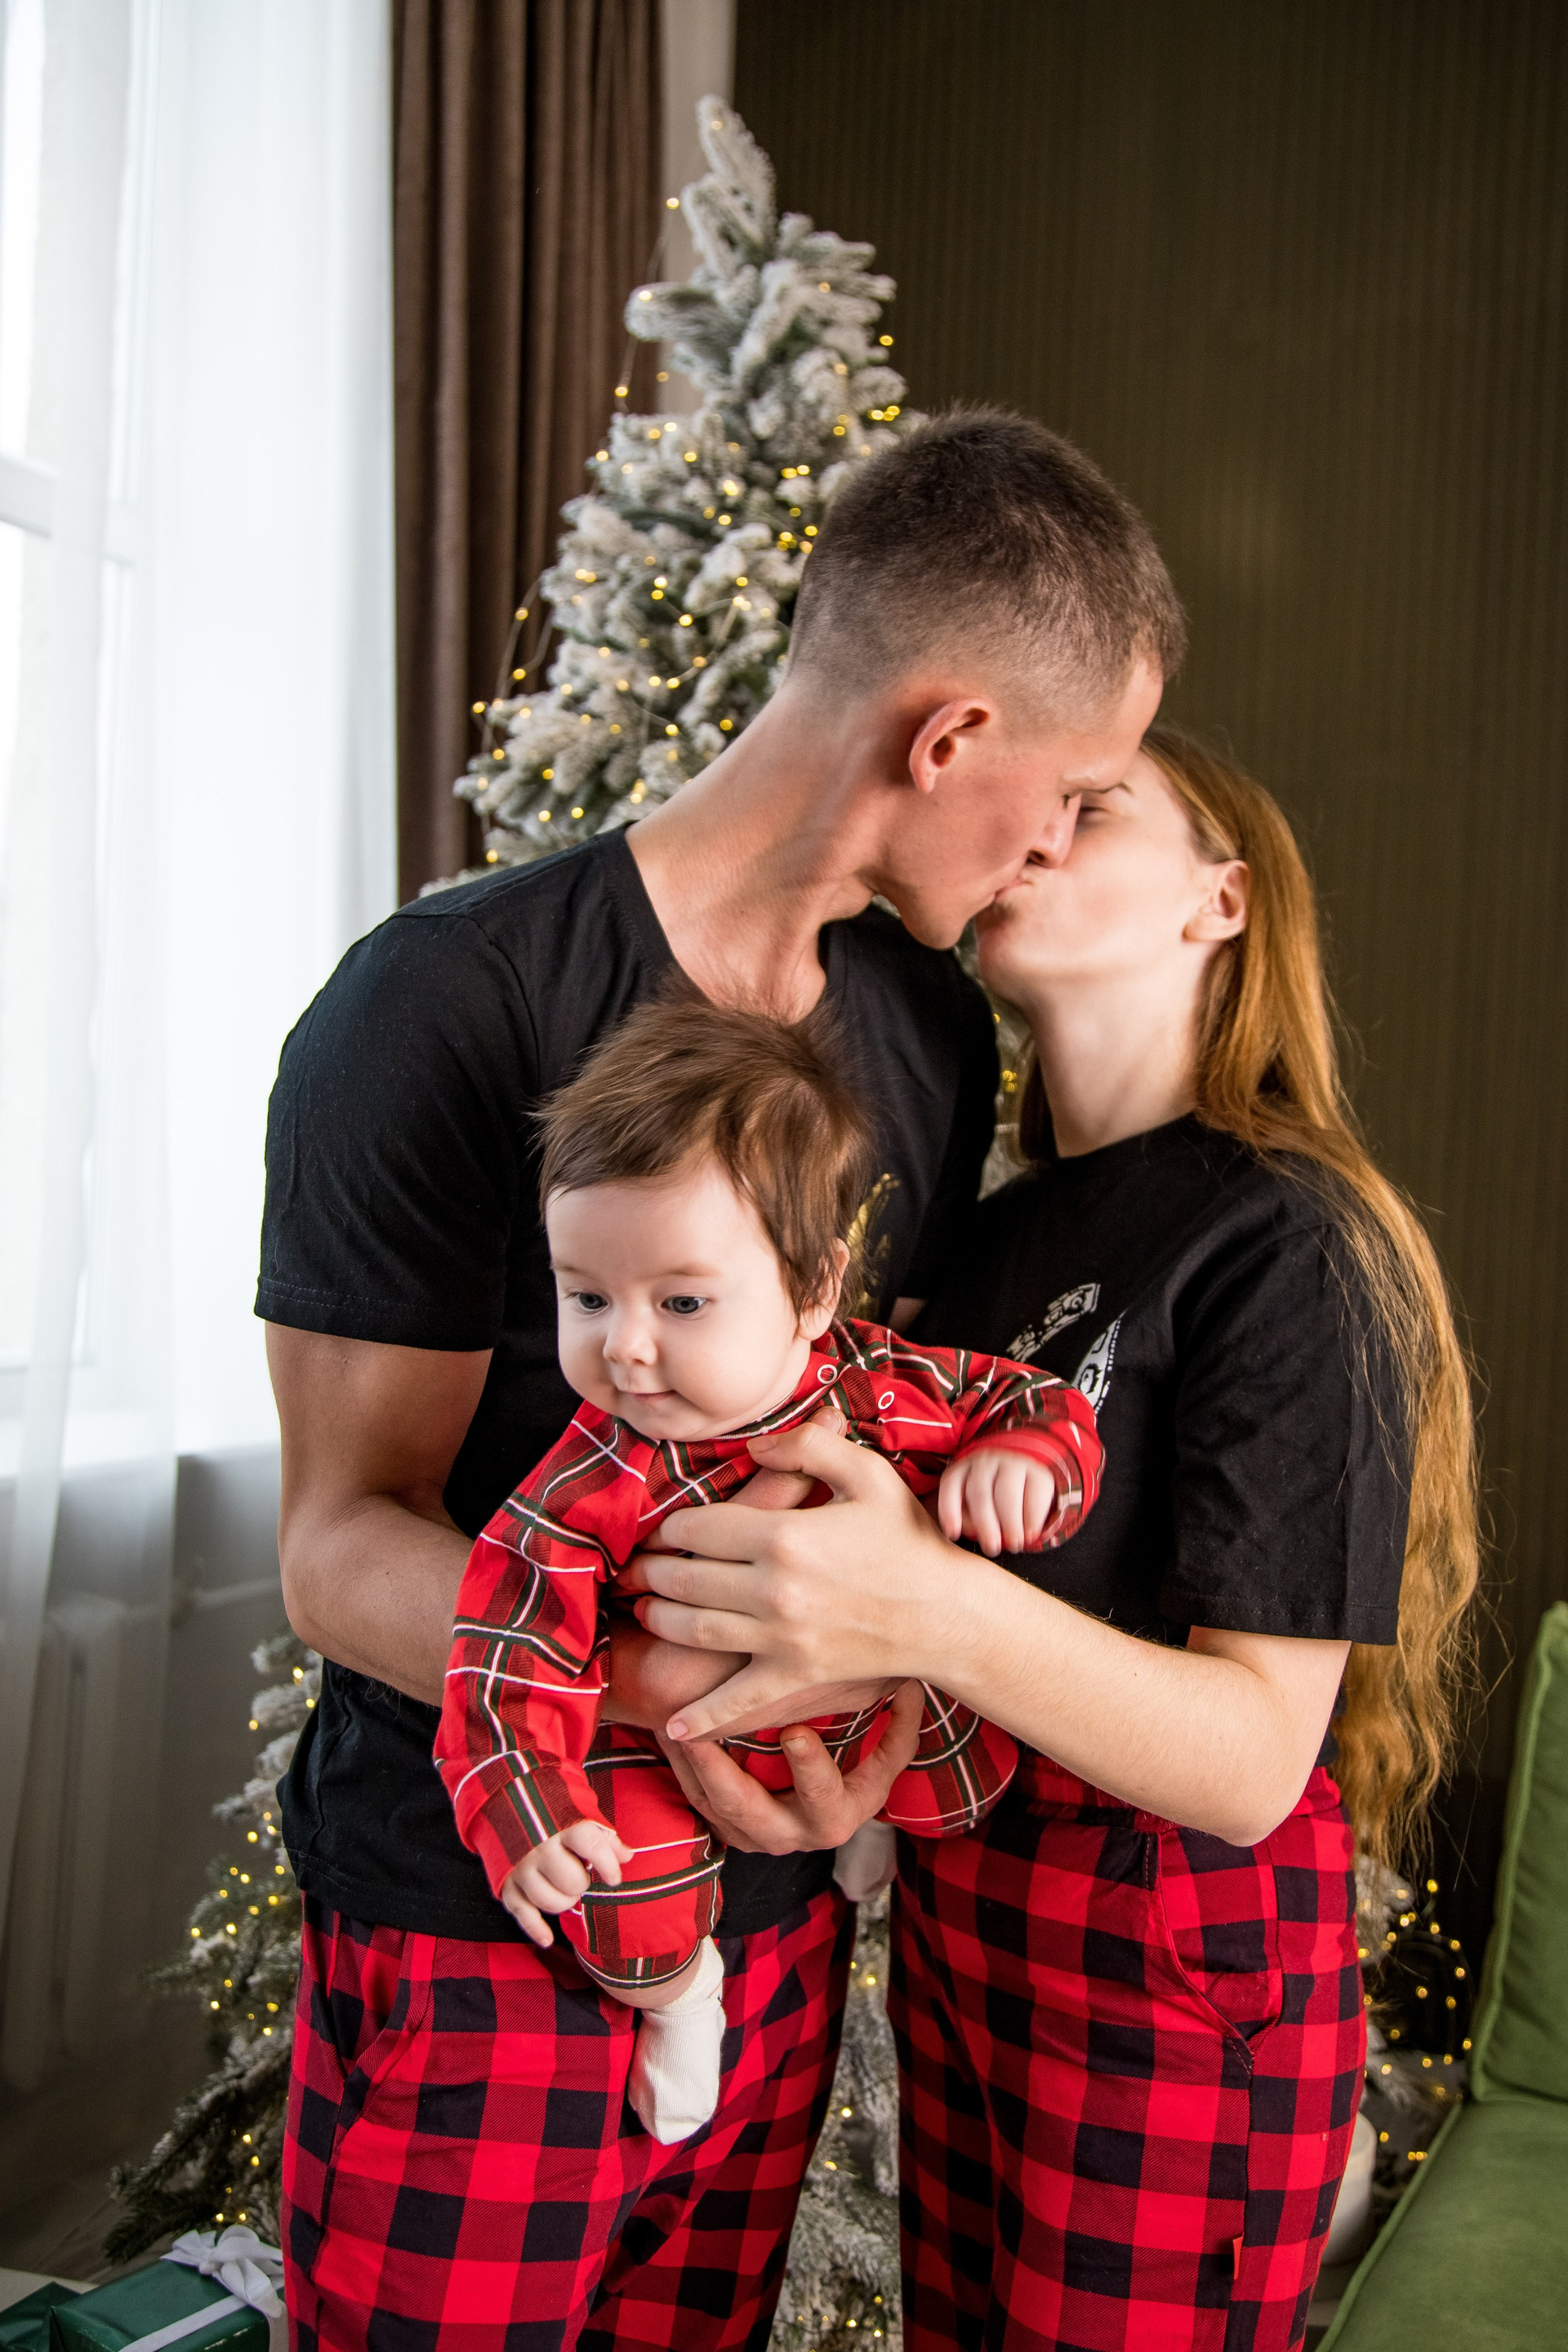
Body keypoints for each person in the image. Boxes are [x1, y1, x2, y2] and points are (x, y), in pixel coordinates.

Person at [260, 407, 1178, 2350]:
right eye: (1073, 789)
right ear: (950, 739)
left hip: (771, 1931)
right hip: (492, 1906)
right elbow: (339, 1550)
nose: (1057, 845)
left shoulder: (929, 1035)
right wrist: (674, 1695)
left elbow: (847, 1445)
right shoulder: (448, 1002)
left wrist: (853, 1732)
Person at [627, 730, 1480, 2352]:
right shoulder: (985, 1237)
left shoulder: (1290, 1238)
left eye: (1095, 810)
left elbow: (1250, 1762)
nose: (1036, 831)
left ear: (1220, 903)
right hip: (973, 1921)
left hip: (1179, 1956)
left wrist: (923, 1606)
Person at [434, 999, 1101, 2146]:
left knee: (962, 1776)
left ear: (813, 1289)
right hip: (677, 1748)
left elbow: (1031, 1400)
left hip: (889, 1707)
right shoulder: (593, 1473)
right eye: (586, 1296)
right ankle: (679, 1994)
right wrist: (526, 1805)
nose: (624, 1345)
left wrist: (1026, 1461)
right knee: (619, 1895)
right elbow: (503, 1647)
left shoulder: (880, 1384)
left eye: (682, 1301)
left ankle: (878, 1818)